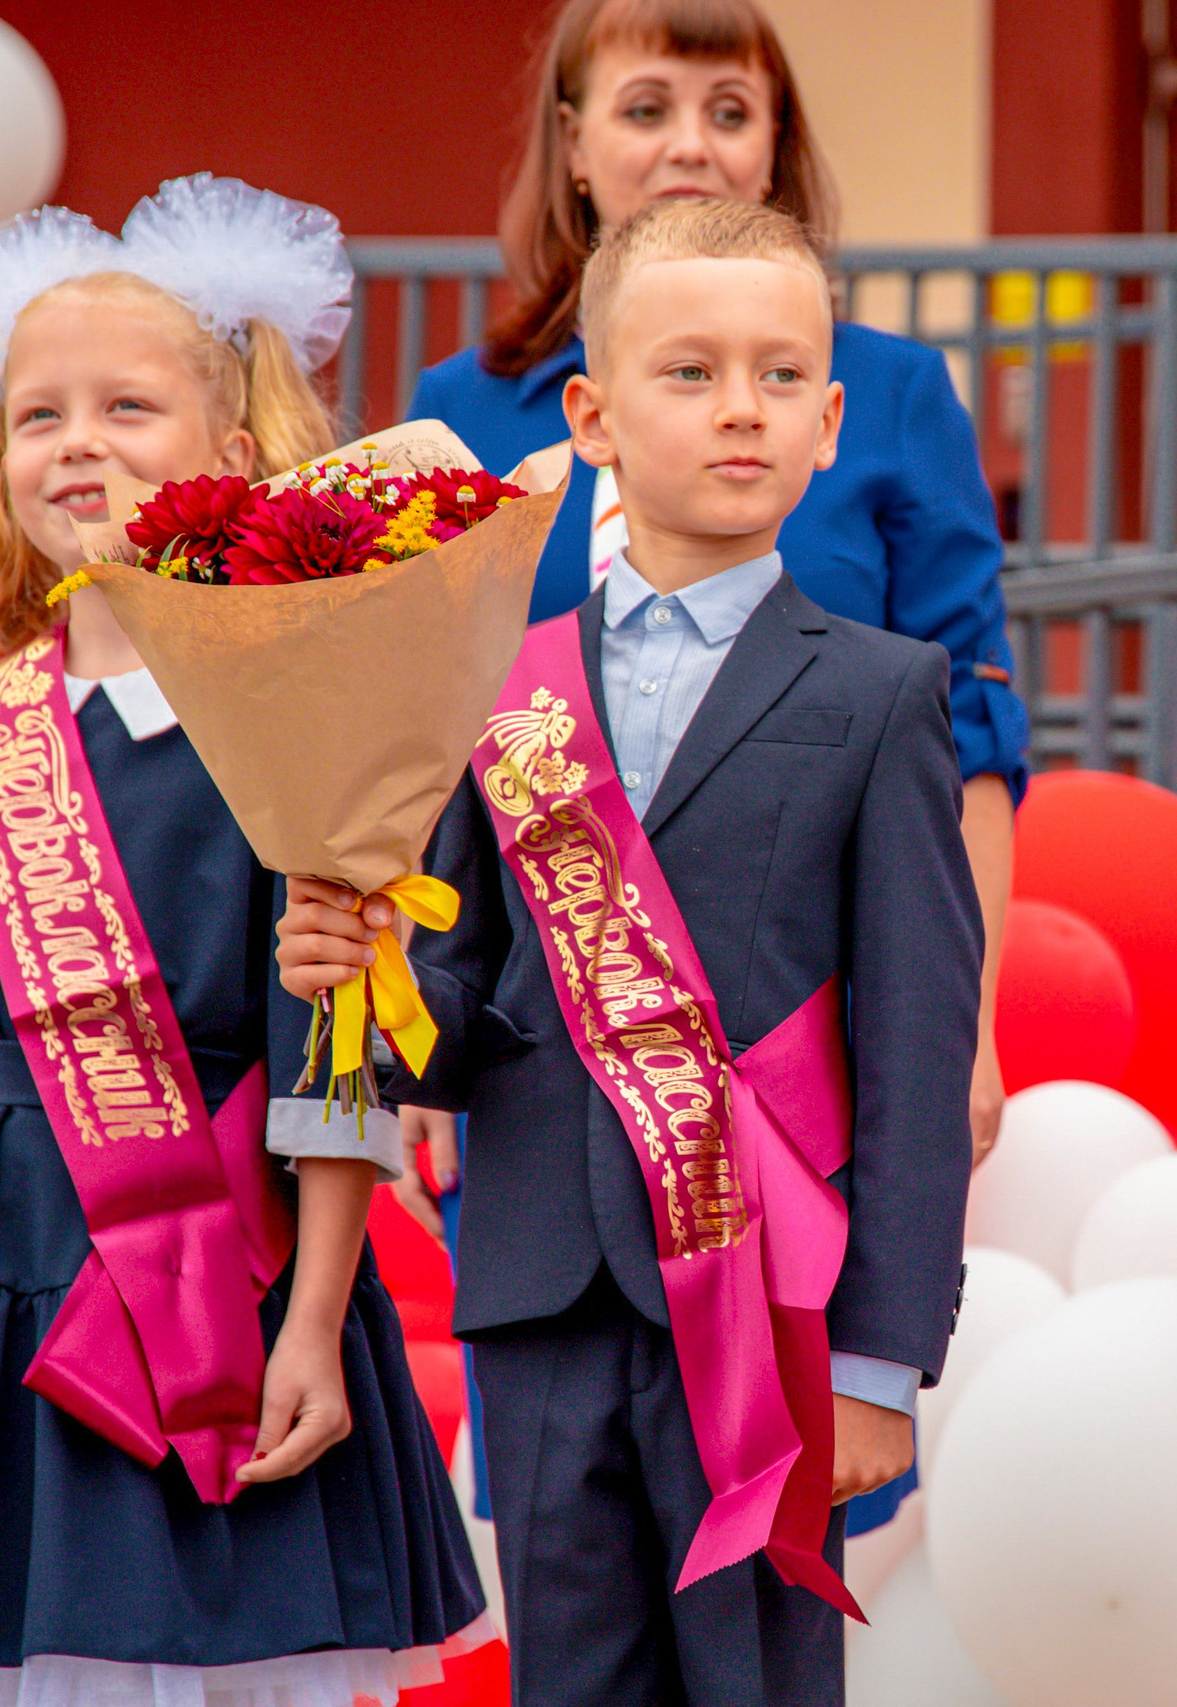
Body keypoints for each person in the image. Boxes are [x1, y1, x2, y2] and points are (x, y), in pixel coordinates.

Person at [277, 197, 979, 1707]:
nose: (743, 406)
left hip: (772, 1299)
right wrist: (374, 974)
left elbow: (918, 1048)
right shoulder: (496, 683)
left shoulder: (886, 691)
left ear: (833, 419)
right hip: (541, 1291)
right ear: (588, 413)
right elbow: (465, 1023)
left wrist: (878, 1357)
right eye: (691, 371)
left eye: (782, 375)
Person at [0, 178, 484, 1705]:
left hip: (224, 1292)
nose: (81, 441)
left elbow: (335, 1053)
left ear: (233, 454)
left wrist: (313, 1319)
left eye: (128, 404)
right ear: (0, 464)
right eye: (39, 415)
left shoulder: (298, 723)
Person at [399, 0, 1022, 1195]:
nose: (691, 144)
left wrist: (969, 1024)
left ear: (773, 145)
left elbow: (970, 748)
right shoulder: (464, 411)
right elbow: (425, 741)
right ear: (573, 146)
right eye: (647, 109)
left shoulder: (879, 394)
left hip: (802, 1040)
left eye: (728, 112)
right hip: (529, 1043)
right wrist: (425, 1023)